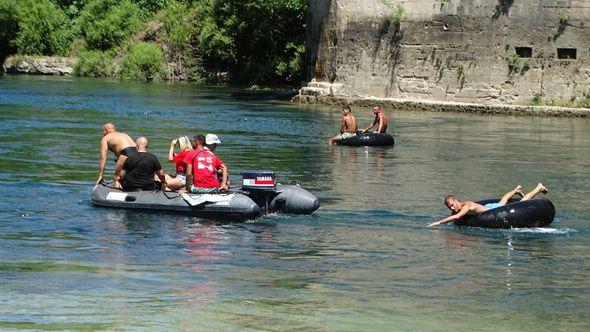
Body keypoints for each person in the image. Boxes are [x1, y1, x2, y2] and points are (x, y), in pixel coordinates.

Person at [427, 183, 548, 228]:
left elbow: (457, 217)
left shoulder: (466, 207)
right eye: (450, 207)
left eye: (452, 205)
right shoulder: (462, 205)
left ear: (456, 200)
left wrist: (438, 222)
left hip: (491, 210)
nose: (452, 208)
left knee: (521, 203)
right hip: (488, 208)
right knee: (502, 201)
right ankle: (516, 190)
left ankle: (538, 188)